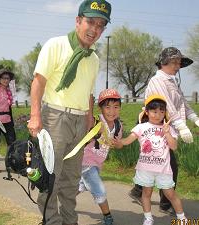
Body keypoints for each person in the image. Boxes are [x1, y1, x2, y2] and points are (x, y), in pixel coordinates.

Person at [27, 0, 112, 224]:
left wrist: (89, 120)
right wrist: (35, 116)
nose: (94, 29)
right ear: (78, 21)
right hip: (54, 117)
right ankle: (51, 220)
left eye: (101, 25)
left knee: (72, 179)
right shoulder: (56, 45)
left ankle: (69, 220)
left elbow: (89, 93)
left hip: (79, 122)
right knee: (50, 178)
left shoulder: (93, 58)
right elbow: (38, 82)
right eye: (90, 22)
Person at [129, 47, 199, 215]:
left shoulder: (172, 81)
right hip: (153, 128)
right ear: (164, 63)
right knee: (170, 166)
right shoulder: (157, 81)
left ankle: (139, 190)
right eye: (174, 62)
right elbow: (167, 105)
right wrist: (182, 127)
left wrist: (195, 119)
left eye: (179, 62)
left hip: (164, 127)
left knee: (156, 161)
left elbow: (182, 104)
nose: (177, 65)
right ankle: (166, 203)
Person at [115, 95, 187, 225]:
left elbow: (174, 147)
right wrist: (119, 142)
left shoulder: (168, 128)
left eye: (161, 111)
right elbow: (128, 140)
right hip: (145, 169)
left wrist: (167, 133)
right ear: (147, 112)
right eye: (154, 111)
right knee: (146, 193)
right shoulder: (141, 127)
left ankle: (182, 218)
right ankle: (148, 218)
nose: (158, 115)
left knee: (171, 194)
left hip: (163, 169)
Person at [78, 89, 123, 225]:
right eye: (107, 107)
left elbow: (118, 144)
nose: (112, 111)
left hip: (98, 164)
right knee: (99, 189)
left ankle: (62, 201)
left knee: (79, 187)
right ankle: (108, 218)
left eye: (116, 107)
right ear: (100, 107)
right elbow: (86, 130)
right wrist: (95, 129)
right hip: (85, 162)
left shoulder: (118, 125)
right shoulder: (96, 121)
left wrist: (118, 144)